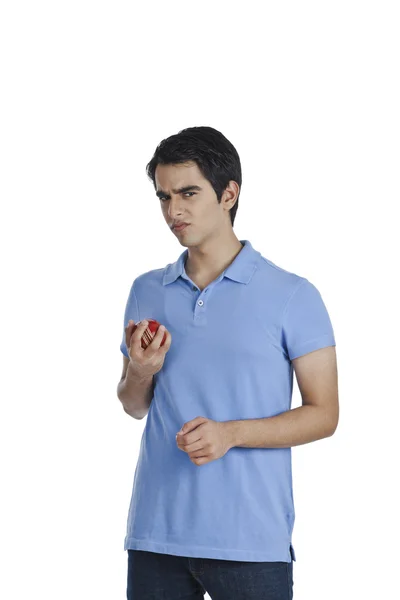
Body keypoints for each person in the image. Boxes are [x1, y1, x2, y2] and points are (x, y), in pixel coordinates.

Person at [117, 126, 339, 600]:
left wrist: (230, 434)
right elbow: (134, 405)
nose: (173, 211)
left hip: (251, 542)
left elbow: (325, 414)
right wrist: (140, 371)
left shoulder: (293, 296)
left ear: (229, 194)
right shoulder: (146, 290)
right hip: (156, 534)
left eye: (188, 193)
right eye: (163, 196)